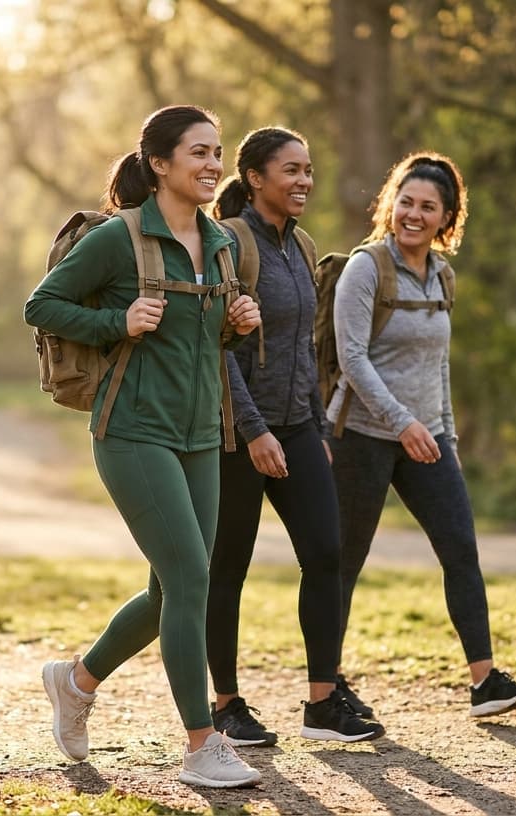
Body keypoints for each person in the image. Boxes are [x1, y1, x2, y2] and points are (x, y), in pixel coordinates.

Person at [24, 105, 264, 788]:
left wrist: (237, 321)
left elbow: (203, 336)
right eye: (198, 153)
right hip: (131, 432)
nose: (213, 165)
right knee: (192, 578)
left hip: (199, 436)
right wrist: (115, 321)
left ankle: (76, 681)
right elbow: (41, 305)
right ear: (160, 164)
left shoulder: (220, 242)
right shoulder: (119, 239)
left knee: (172, 592)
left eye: (217, 152)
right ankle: (201, 746)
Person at [327, 151, 516, 718]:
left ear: (447, 217)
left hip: (428, 438)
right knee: (345, 561)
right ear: (390, 205)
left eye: (428, 207)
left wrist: (444, 433)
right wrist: (403, 423)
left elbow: (437, 364)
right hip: (363, 436)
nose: (414, 215)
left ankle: (485, 683)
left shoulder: (443, 274)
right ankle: (327, 687)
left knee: (460, 549)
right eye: (406, 202)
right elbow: (352, 358)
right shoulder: (366, 268)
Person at [205, 126, 384, 747]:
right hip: (235, 433)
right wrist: (253, 430)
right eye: (291, 170)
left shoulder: (303, 247)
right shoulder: (229, 243)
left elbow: (305, 346)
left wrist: (312, 422)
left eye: (308, 169)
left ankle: (322, 701)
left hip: (298, 427)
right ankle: (225, 704)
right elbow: (218, 349)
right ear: (255, 178)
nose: (304, 180)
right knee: (228, 567)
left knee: (327, 555)